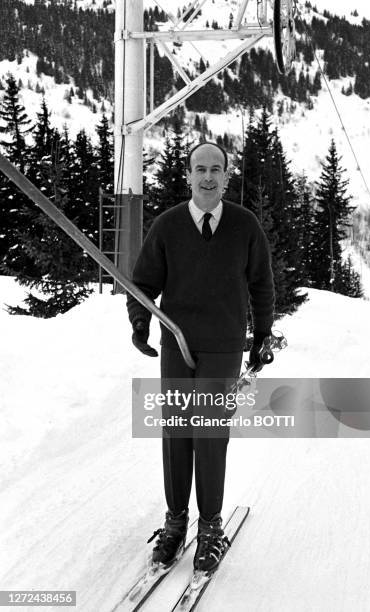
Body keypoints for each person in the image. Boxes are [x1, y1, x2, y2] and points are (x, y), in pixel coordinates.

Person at [127, 141, 275, 574]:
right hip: (177, 344)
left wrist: (262, 333)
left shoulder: (245, 226)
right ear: (187, 176)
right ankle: (176, 523)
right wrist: (139, 324)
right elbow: (143, 283)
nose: (208, 177)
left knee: (210, 435)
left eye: (216, 169)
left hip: (224, 345)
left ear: (227, 177)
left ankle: (210, 526)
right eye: (200, 169)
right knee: (176, 432)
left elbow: (261, 284)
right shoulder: (168, 226)